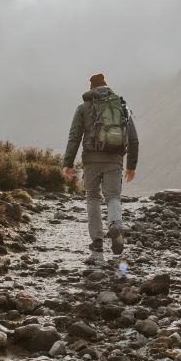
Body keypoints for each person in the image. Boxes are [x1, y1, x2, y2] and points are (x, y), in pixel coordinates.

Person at [62, 73, 139, 255]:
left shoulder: (83, 108)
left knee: (93, 197)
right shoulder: (120, 106)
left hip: (91, 159)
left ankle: (97, 241)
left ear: (91, 89)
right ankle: (115, 225)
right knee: (113, 196)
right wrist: (131, 166)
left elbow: (74, 137)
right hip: (115, 159)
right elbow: (134, 139)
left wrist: (68, 163)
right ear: (106, 86)